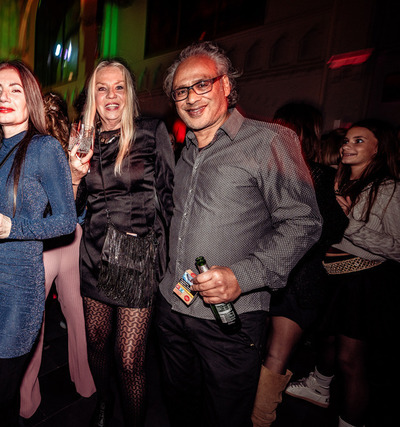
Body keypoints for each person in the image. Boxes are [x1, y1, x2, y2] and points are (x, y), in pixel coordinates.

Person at [155, 41, 322, 427]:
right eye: (181, 91)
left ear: (226, 85)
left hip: (229, 318)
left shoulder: (268, 141)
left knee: (225, 415)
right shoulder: (186, 150)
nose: (191, 97)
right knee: (180, 409)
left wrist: (241, 276)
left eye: (202, 84)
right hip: (173, 307)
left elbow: (303, 222)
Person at [0, 60, 77, 427]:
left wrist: (11, 226)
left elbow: (66, 221)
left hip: (15, 293)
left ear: (31, 99)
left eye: (15, 90)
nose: (4, 97)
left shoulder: (44, 147)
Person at [68, 59, 174, 427]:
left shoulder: (151, 132)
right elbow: (74, 209)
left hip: (137, 259)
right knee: (97, 344)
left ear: (129, 93)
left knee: (130, 359)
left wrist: (161, 262)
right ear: (92, 96)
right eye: (102, 88)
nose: (111, 95)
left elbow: (170, 200)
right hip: (95, 254)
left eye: (119, 87)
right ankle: (103, 401)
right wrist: (74, 176)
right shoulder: (84, 139)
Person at [285, 119, 400, 427]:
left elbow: (397, 247)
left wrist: (349, 223)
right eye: (347, 140)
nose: (347, 145)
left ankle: (350, 422)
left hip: (363, 282)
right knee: (327, 343)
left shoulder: (389, 189)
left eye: (359, 141)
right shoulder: (337, 179)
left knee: (350, 360)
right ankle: (319, 387)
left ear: (378, 149)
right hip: (332, 277)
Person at [251, 102, 348, 426]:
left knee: (269, 352)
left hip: (292, 277)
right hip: (289, 275)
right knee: (270, 352)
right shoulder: (319, 177)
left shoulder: (280, 172)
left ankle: (258, 419)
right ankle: (256, 417)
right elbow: (331, 230)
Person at [19, 92, 95, 419]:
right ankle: (85, 382)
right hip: (73, 236)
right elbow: (82, 205)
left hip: (47, 241)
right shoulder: (73, 147)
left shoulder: (32, 148)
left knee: (36, 319)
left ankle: (27, 398)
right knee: (76, 313)